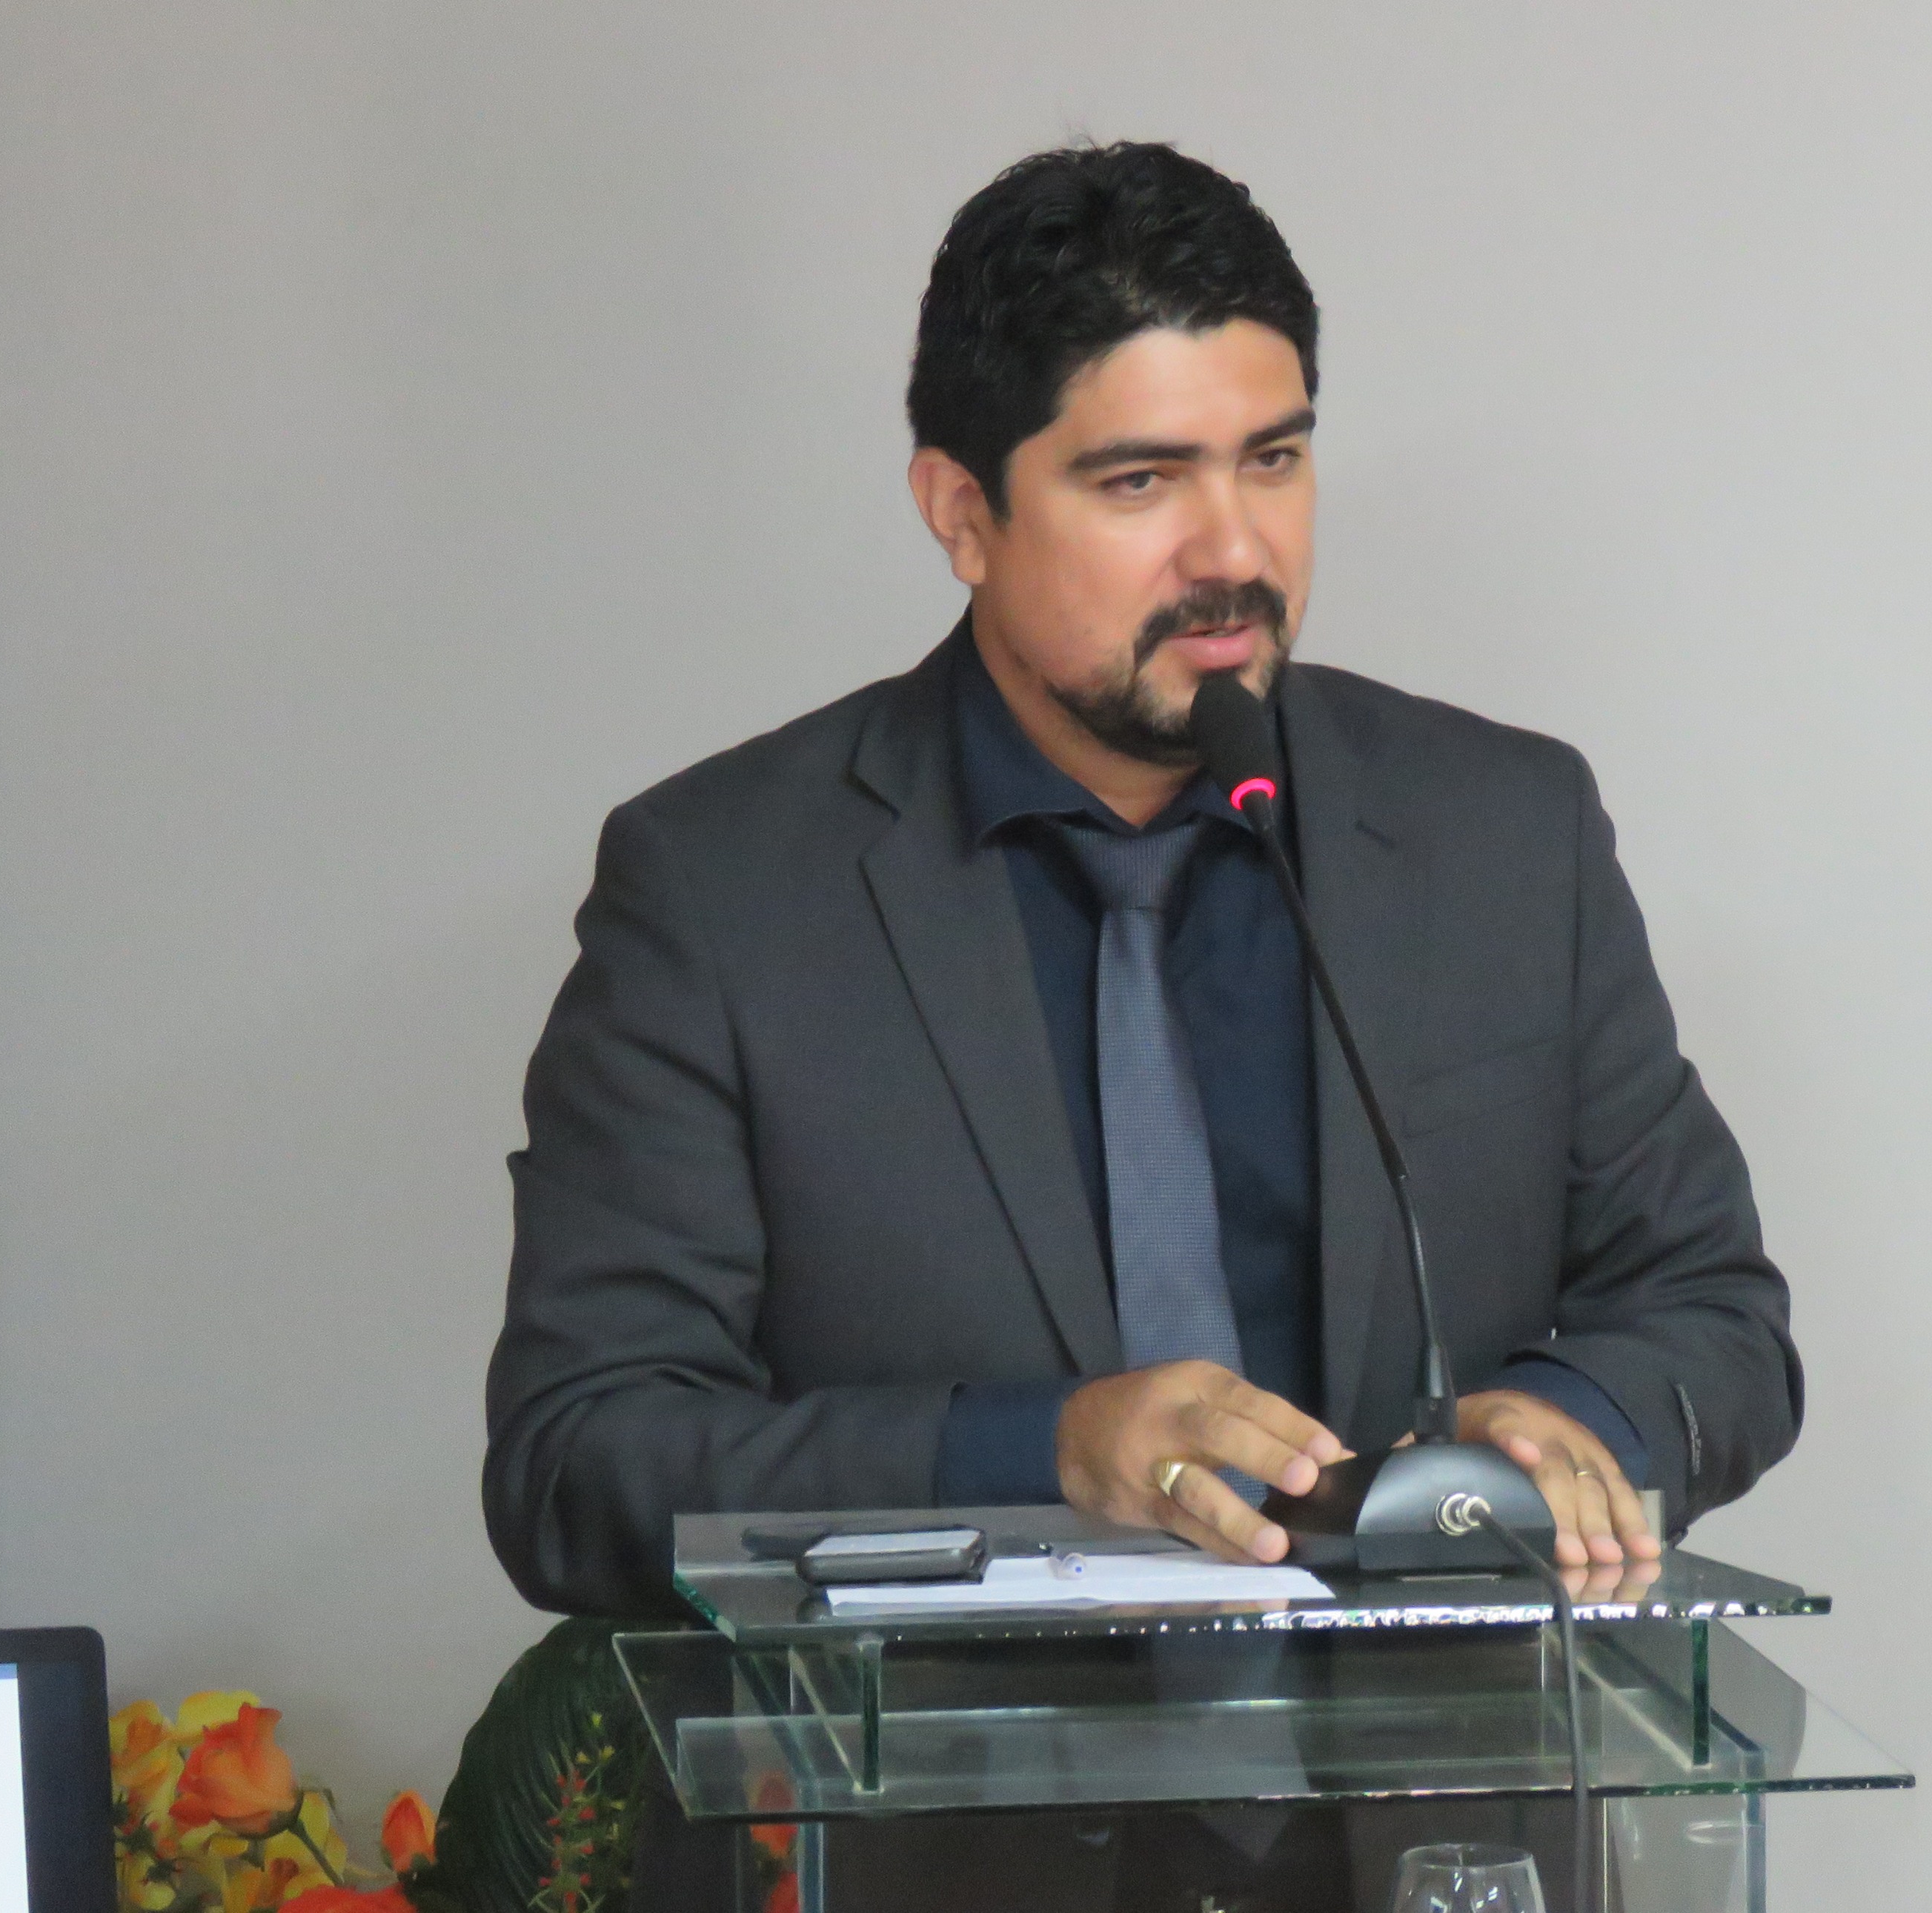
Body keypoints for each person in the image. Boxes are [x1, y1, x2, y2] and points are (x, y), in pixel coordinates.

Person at [482, 139, 1799, 1909]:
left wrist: (1567, 1420)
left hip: (1436, 1855)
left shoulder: (1502, 833)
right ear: (961, 512)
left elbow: (1716, 1316)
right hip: (939, 1866)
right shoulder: (722, 891)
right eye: (1139, 480)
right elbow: (578, 1460)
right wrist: (1038, 1449)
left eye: (1274, 457)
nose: (1232, 550)